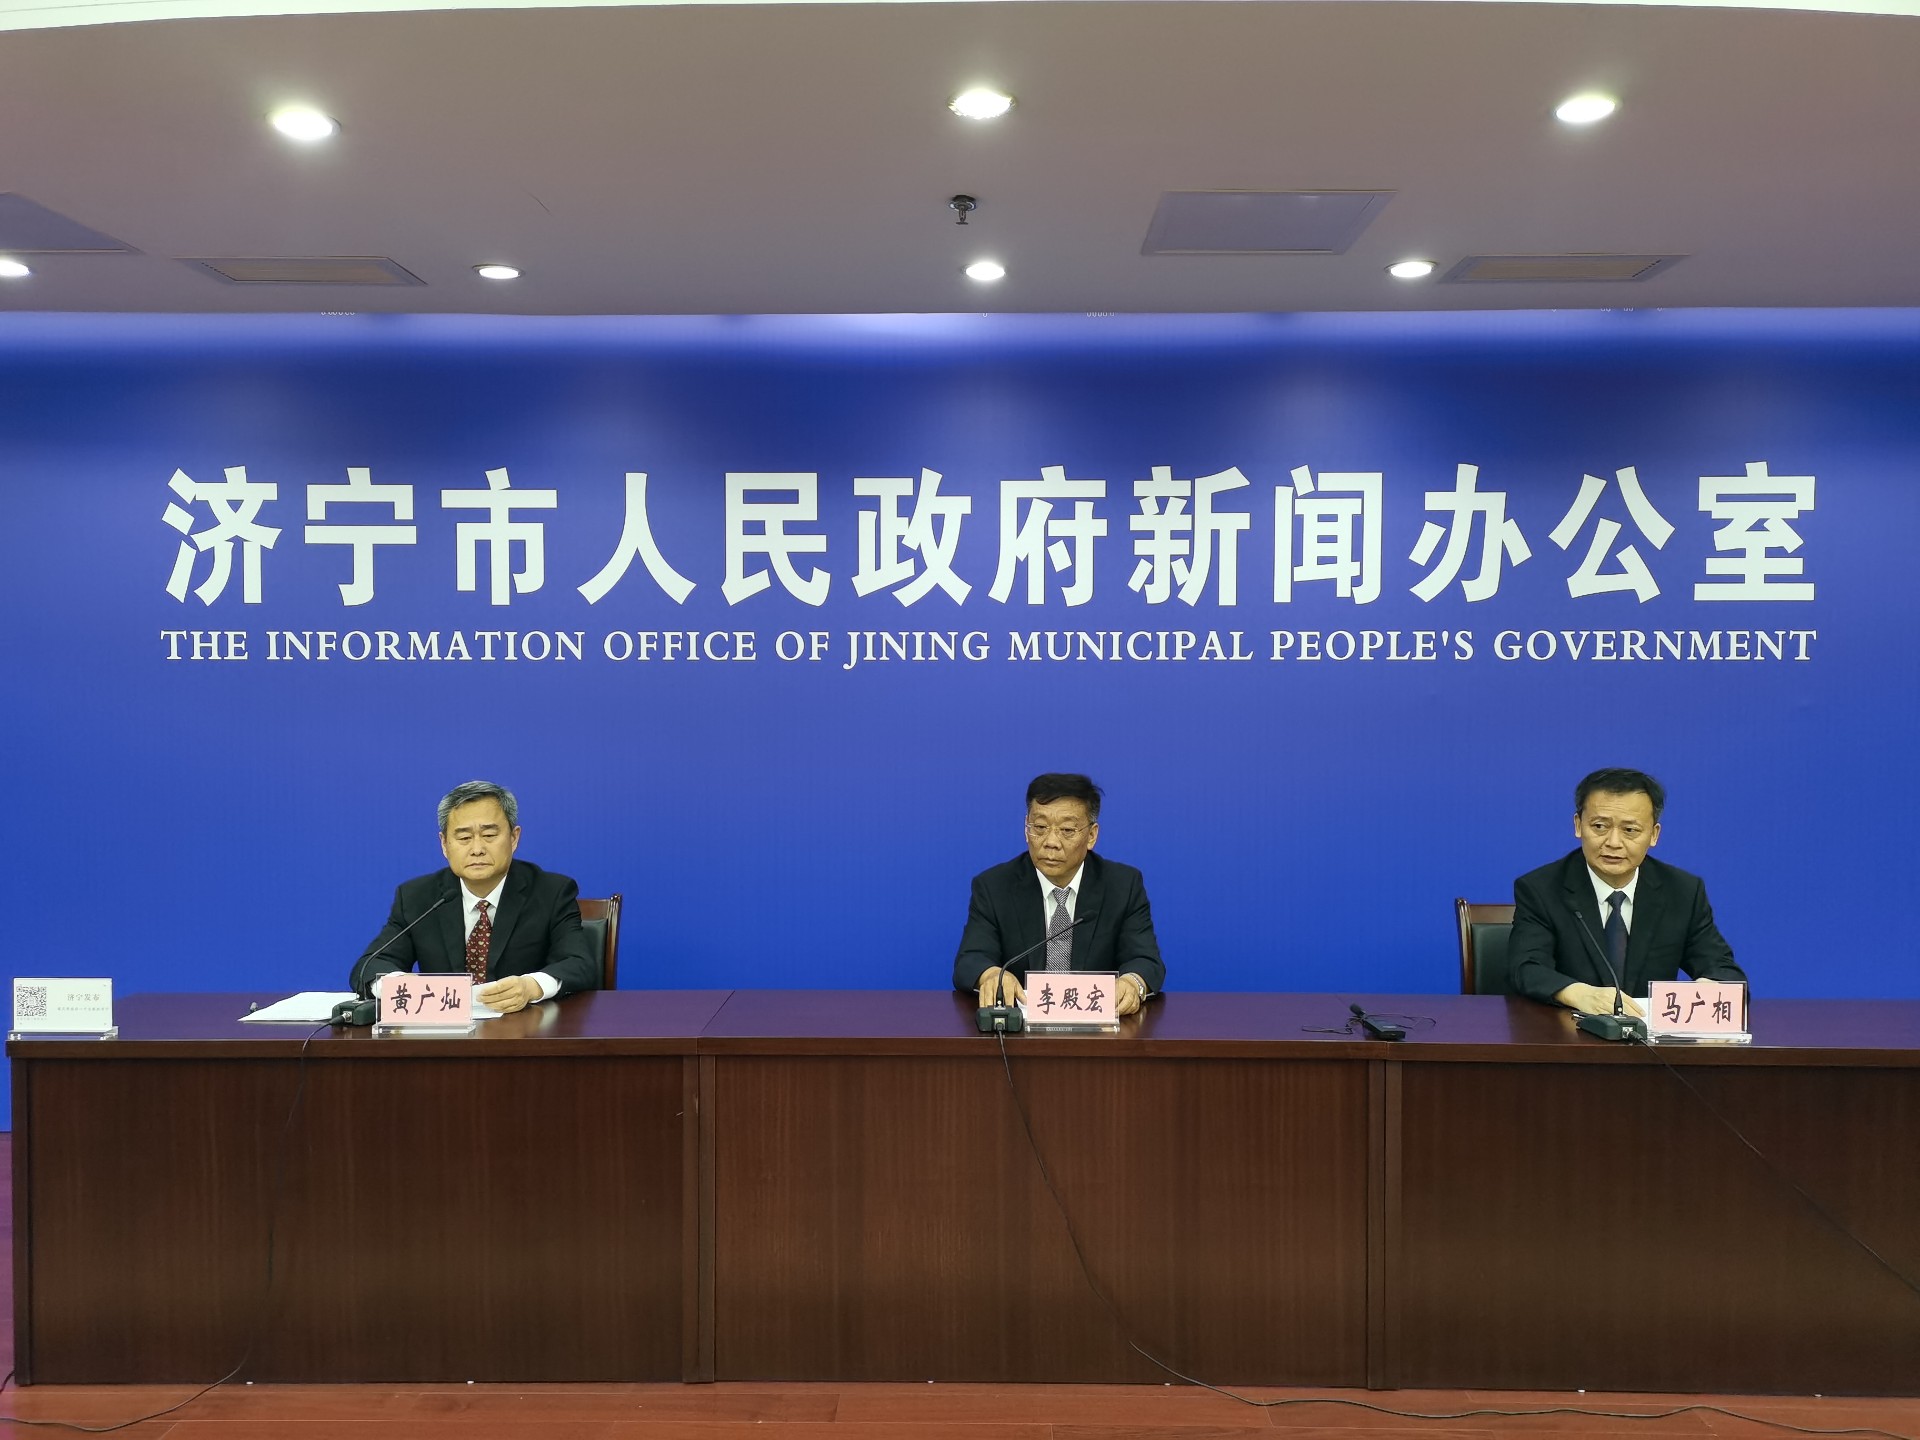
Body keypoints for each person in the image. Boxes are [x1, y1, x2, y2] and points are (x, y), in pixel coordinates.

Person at [1508, 767, 1746, 1016]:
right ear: (1578, 825)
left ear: (1653, 835)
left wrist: (1712, 989)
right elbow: (1526, 967)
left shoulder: (1682, 891)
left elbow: (1724, 970)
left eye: (1630, 830)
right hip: (1566, 1030)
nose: (1613, 842)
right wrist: (1579, 994)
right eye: (1600, 826)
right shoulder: (1541, 888)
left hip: (1650, 1037)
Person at [350, 780, 600, 1013]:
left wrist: (531, 986)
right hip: (444, 1035)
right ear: (444, 844)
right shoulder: (418, 897)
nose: (477, 849)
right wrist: (398, 984)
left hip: (525, 1032)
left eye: (489, 835)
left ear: (514, 838)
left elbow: (579, 963)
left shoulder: (552, 892)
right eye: (464, 837)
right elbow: (369, 966)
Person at [953, 773, 1165, 1017]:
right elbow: (971, 959)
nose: (1051, 842)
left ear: (1092, 836)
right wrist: (990, 975)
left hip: (1099, 1029)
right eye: (1040, 828)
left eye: (1066, 830)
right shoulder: (994, 886)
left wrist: (1132, 983)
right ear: (1026, 829)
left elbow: (1145, 960)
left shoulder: (1123, 885)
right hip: (1020, 1029)